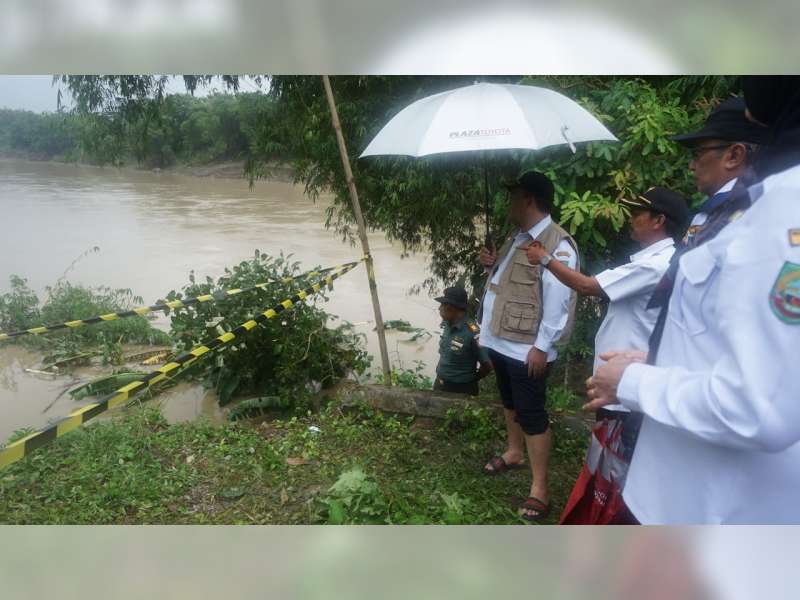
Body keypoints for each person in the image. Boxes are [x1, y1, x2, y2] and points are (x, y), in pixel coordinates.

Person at [585, 76, 800, 524]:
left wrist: (634, 382)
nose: (690, 167)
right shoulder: (747, 207)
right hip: (683, 492)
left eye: (698, 153)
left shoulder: (784, 211)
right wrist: (656, 359)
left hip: (709, 511)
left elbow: (760, 406)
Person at [526, 186, 688, 523]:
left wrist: (545, 258)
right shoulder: (657, 261)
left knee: (617, 463)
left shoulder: (656, 265)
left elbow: (588, 286)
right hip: (622, 381)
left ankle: (609, 518)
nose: (630, 221)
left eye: (637, 214)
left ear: (658, 220)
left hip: (626, 387)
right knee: (609, 458)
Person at [477, 170, 579, 521]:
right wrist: (492, 264)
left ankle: (539, 488)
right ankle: (513, 451)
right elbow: (509, 282)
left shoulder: (558, 245)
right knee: (509, 402)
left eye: (514, 196)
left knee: (532, 414)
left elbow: (559, 300)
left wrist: (542, 346)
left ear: (529, 200)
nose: (509, 202)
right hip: (501, 341)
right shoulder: (517, 237)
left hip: (527, 349)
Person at [433, 286, 493, 395]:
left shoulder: (473, 332)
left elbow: (488, 365)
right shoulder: (447, 325)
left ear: (451, 307)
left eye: (442, 304)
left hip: (462, 390)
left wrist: (472, 379)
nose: (439, 308)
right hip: (440, 385)